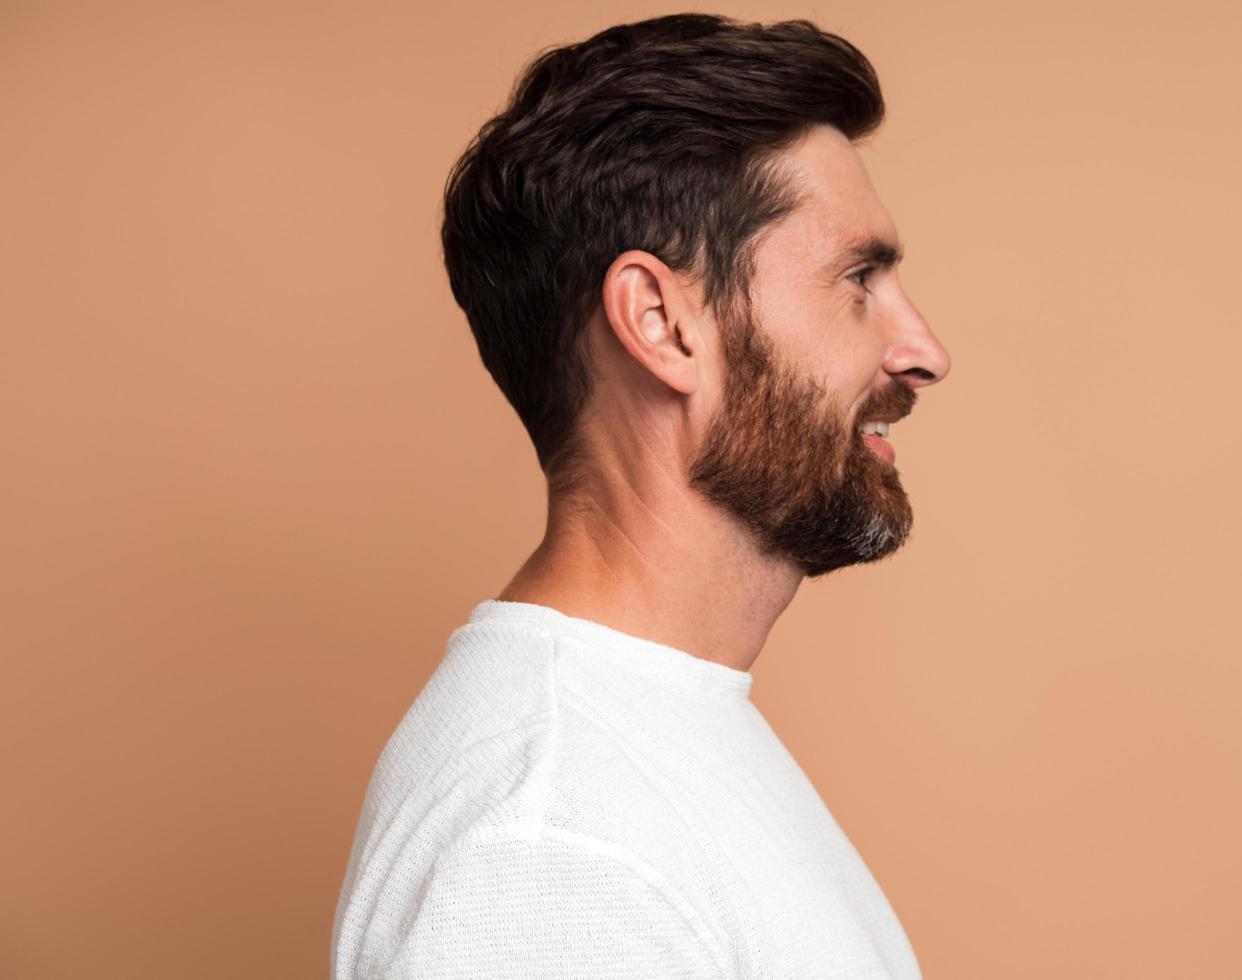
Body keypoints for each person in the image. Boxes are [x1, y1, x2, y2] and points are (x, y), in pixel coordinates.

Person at [332, 12, 950, 978]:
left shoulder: (643, 749)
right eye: (857, 277)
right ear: (661, 324)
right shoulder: (553, 844)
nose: (923, 353)